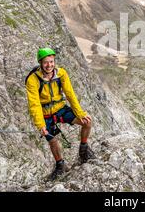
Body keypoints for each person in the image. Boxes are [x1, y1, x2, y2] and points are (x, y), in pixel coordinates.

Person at [25, 48, 95, 180]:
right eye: (46, 62)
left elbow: (70, 94)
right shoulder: (33, 80)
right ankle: (60, 165)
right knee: (52, 139)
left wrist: (80, 113)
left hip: (60, 108)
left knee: (87, 122)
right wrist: (41, 125)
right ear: (40, 63)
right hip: (45, 113)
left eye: (51, 62)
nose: (49, 65)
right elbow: (34, 104)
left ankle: (83, 149)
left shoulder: (61, 73)